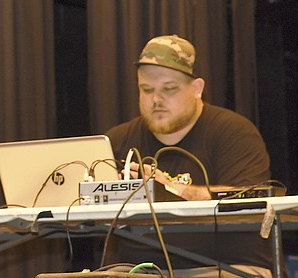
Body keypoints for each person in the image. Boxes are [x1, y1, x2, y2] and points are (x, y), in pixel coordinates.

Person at [105, 35, 274, 277]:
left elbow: (249, 199)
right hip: (139, 271)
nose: (156, 99)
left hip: (224, 267)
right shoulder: (119, 140)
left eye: (169, 89)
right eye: (146, 90)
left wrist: (170, 189)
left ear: (197, 89)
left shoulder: (234, 132)